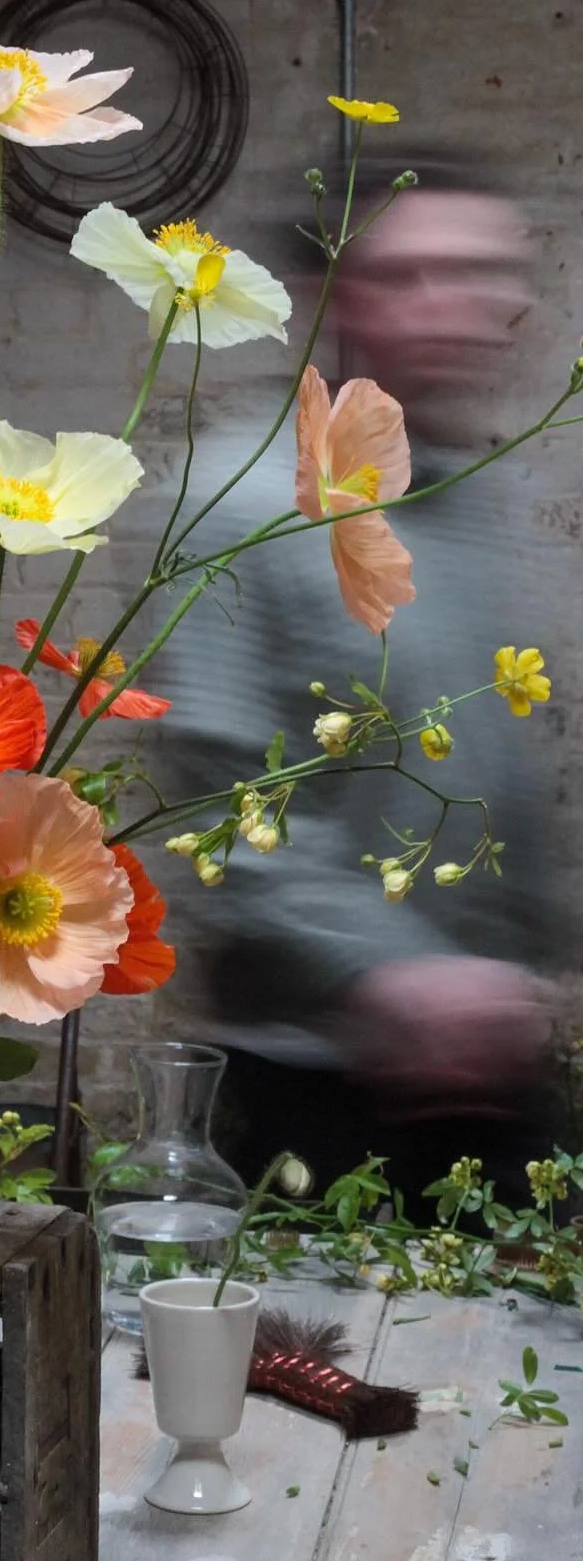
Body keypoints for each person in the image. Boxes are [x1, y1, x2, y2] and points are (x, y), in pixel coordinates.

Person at [152, 169, 568, 1205]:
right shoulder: (233, 501)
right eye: (413, 273)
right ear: (330, 291)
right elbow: (220, 801)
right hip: (317, 1078)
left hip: (495, 1067)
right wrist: (388, 976)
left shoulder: (477, 493)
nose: (455, 305)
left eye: (482, 275)